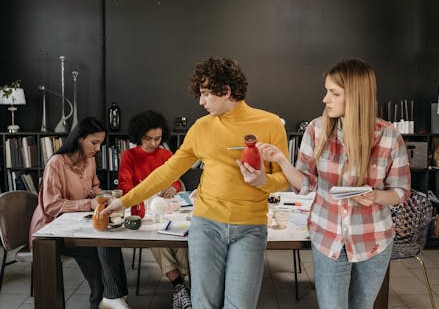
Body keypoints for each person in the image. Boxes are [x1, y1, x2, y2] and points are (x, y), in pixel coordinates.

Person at [102, 57, 289, 309]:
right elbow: (167, 172)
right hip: (206, 226)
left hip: (250, 228)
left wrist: (263, 180)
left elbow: (283, 179)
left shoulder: (270, 124)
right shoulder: (201, 127)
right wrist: (124, 202)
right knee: (204, 305)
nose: (201, 101)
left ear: (225, 91)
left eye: (205, 94)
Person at [240, 58, 411, 309]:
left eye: (334, 93)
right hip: (327, 237)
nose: (325, 99)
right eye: (327, 91)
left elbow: (400, 191)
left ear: (356, 96)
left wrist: (374, 196)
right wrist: (281, 161)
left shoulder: (390, 138)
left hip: (373, 239)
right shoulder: (316, 130)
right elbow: (306, 183)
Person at [29, 117, 130, 309]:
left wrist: (104, 199)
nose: (98, 148)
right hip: (50, 231)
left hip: (76, 225)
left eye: (100, 143)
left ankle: (114, 297)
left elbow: (94, 187)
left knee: (109, 238)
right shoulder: (56, 163)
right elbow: (51, 206)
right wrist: (88, 204)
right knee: (100, 246)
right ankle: (109, 298)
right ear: (79, 139)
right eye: (94, 142)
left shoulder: (89, 160)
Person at [118, 110, 191, 309]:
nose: (153, 143)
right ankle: (180, 286)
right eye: (148, 139)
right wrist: (141, 196)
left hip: (167, 207)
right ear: (138, 137)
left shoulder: (166, 154)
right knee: (157, 238)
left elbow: (176, 181)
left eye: (158, 139)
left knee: (179, 237)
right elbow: (125, 185)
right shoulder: (129, 155)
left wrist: (173, 187)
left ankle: (182, 287)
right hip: (141, 207)